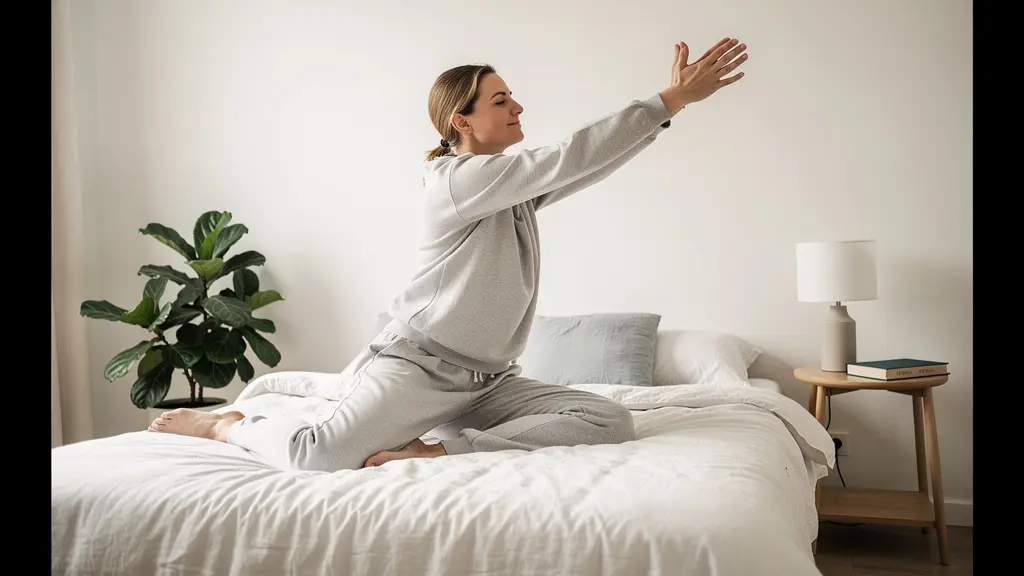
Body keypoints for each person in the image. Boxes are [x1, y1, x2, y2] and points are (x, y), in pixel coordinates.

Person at [149, 38, 749, 472]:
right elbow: (569, 156)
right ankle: (229, 424)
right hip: (420, 368)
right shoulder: (458, 181)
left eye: (512, 97)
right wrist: (667, 99)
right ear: (461, 120)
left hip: (488, 381)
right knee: (318, 455)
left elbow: (583, 167)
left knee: (609, 420)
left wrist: (671, 112)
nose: (517, 108)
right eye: (500, 100)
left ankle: (437, 448)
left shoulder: (506, 189)